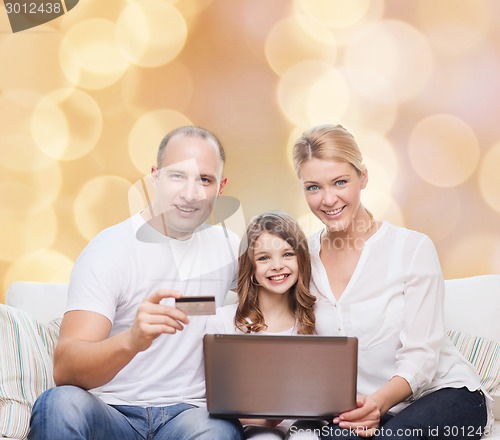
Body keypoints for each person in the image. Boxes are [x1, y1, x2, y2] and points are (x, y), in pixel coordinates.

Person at [28, 126, 244, 440]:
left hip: (191, 416)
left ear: (221, 187)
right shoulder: (110, 250)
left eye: (205, 180)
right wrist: (132, 339)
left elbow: (286, 289)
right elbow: (66, 368)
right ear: (154, 177)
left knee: (218, 431)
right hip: (112, 412)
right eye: (177, 176)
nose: (190, 193)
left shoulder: (228, 247)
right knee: (59, 404)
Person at [291, 124, 493, 440]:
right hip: (358, 411)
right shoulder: (301, 257)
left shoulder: (412, 248)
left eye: (340, 182)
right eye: (313, 187)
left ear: (364, 177)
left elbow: (422, 357)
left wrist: (377, 404)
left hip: (442, 396)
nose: (328, 199)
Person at [206, 211, 321, 439]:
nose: (277, 266)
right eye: (264, 258)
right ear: (251, 270)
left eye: (287, 254)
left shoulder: (314, 321)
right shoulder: (223, 322)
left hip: (308, 424)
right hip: (252, 427)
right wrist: (260, 418)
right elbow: (211, 400)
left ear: (301, 259)